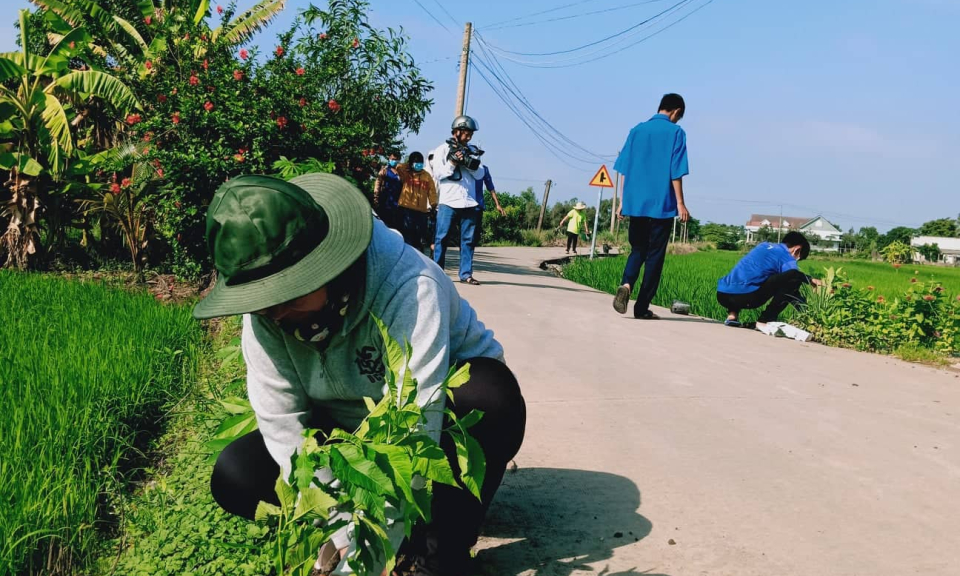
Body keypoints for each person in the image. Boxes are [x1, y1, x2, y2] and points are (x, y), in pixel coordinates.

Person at [196, 174, 526, 576]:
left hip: (436, 419)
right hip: (346, 428)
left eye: (287, 295)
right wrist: (341, 529)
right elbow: (281, 423)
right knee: (237, 473)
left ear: (325, 266)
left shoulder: (407, 286)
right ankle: (358, 534)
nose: (275, 313)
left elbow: (415, 428)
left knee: (489, 398)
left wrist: (374, 555)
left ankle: (440, 548)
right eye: (263, 302)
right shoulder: (268, 313)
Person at [612, 93, 691, 320]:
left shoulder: (637, 130)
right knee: (654, 256)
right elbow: (676, 171)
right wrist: (680, 203)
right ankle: (642, 307)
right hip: (661, 205)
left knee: (638, 249)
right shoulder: (676, 132)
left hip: (635, 204)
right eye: (679, 117)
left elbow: (625, 169)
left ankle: (626, 285)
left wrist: (622, 202)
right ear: (676, 111)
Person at [717, 231, 822, 328]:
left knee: (746, 278)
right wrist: (811, 282)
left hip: (722, 295)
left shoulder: (763, 245)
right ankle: (765, 320)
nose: (796, 261)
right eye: (800, 258)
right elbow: (793, 280)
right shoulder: (787, 257)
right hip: (746, 298)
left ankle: (732, 315)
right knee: (794, 276)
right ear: (797, 249)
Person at [429, 115, 485, 286]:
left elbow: (480, 174)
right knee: (441, 238)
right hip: (448, 200)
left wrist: (468, 163)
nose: (469, 137)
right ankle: (438, 272)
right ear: (456, 132)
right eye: (466, 133)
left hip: (469, 201)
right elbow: (438, 174)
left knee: (468, 240)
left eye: (471, 134)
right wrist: (453, 161)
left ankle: (466, 274)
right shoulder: (442, 150)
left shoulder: (472, 150)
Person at [395, 151, 438, 253]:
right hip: (406, 208)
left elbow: (432, 191)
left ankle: (418, 254)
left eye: (420, 162)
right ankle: (407, 253)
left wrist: (433, 204)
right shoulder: (406, 174)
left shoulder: (426, 176)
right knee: (407, 233)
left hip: (421, 210)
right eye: (416, 162)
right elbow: (398, 167)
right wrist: (409, 164)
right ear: (411, 163)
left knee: (419, 235)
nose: (419, 164)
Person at [373, 152, 402, 230]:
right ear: (389, 159)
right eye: (392, 159)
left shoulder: (401, 173)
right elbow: (377, 184)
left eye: (396, 160)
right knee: (385, 225)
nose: (394, 161)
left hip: (397, 203)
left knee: (396, 225)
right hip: (386, 201)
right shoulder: (384, 171)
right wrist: (376, 198)